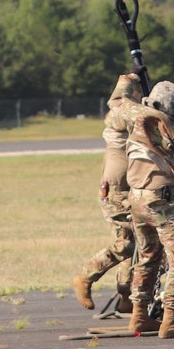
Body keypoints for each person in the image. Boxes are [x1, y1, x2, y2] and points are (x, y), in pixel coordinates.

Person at [125, 80, 174, 339]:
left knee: (147, 255)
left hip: (136, 198)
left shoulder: (135, 122)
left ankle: (139, 316)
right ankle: (171, 319)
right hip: (161, 200)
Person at [71, 71, 144, 312]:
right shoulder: (119, 117)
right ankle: (85, 277)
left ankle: (127, 296)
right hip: (116, 191)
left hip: (130, 188)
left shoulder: (125, 114)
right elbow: (121, 104)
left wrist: (135, 79)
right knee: (125, 244)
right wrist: (129, 80)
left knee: (139, 241)